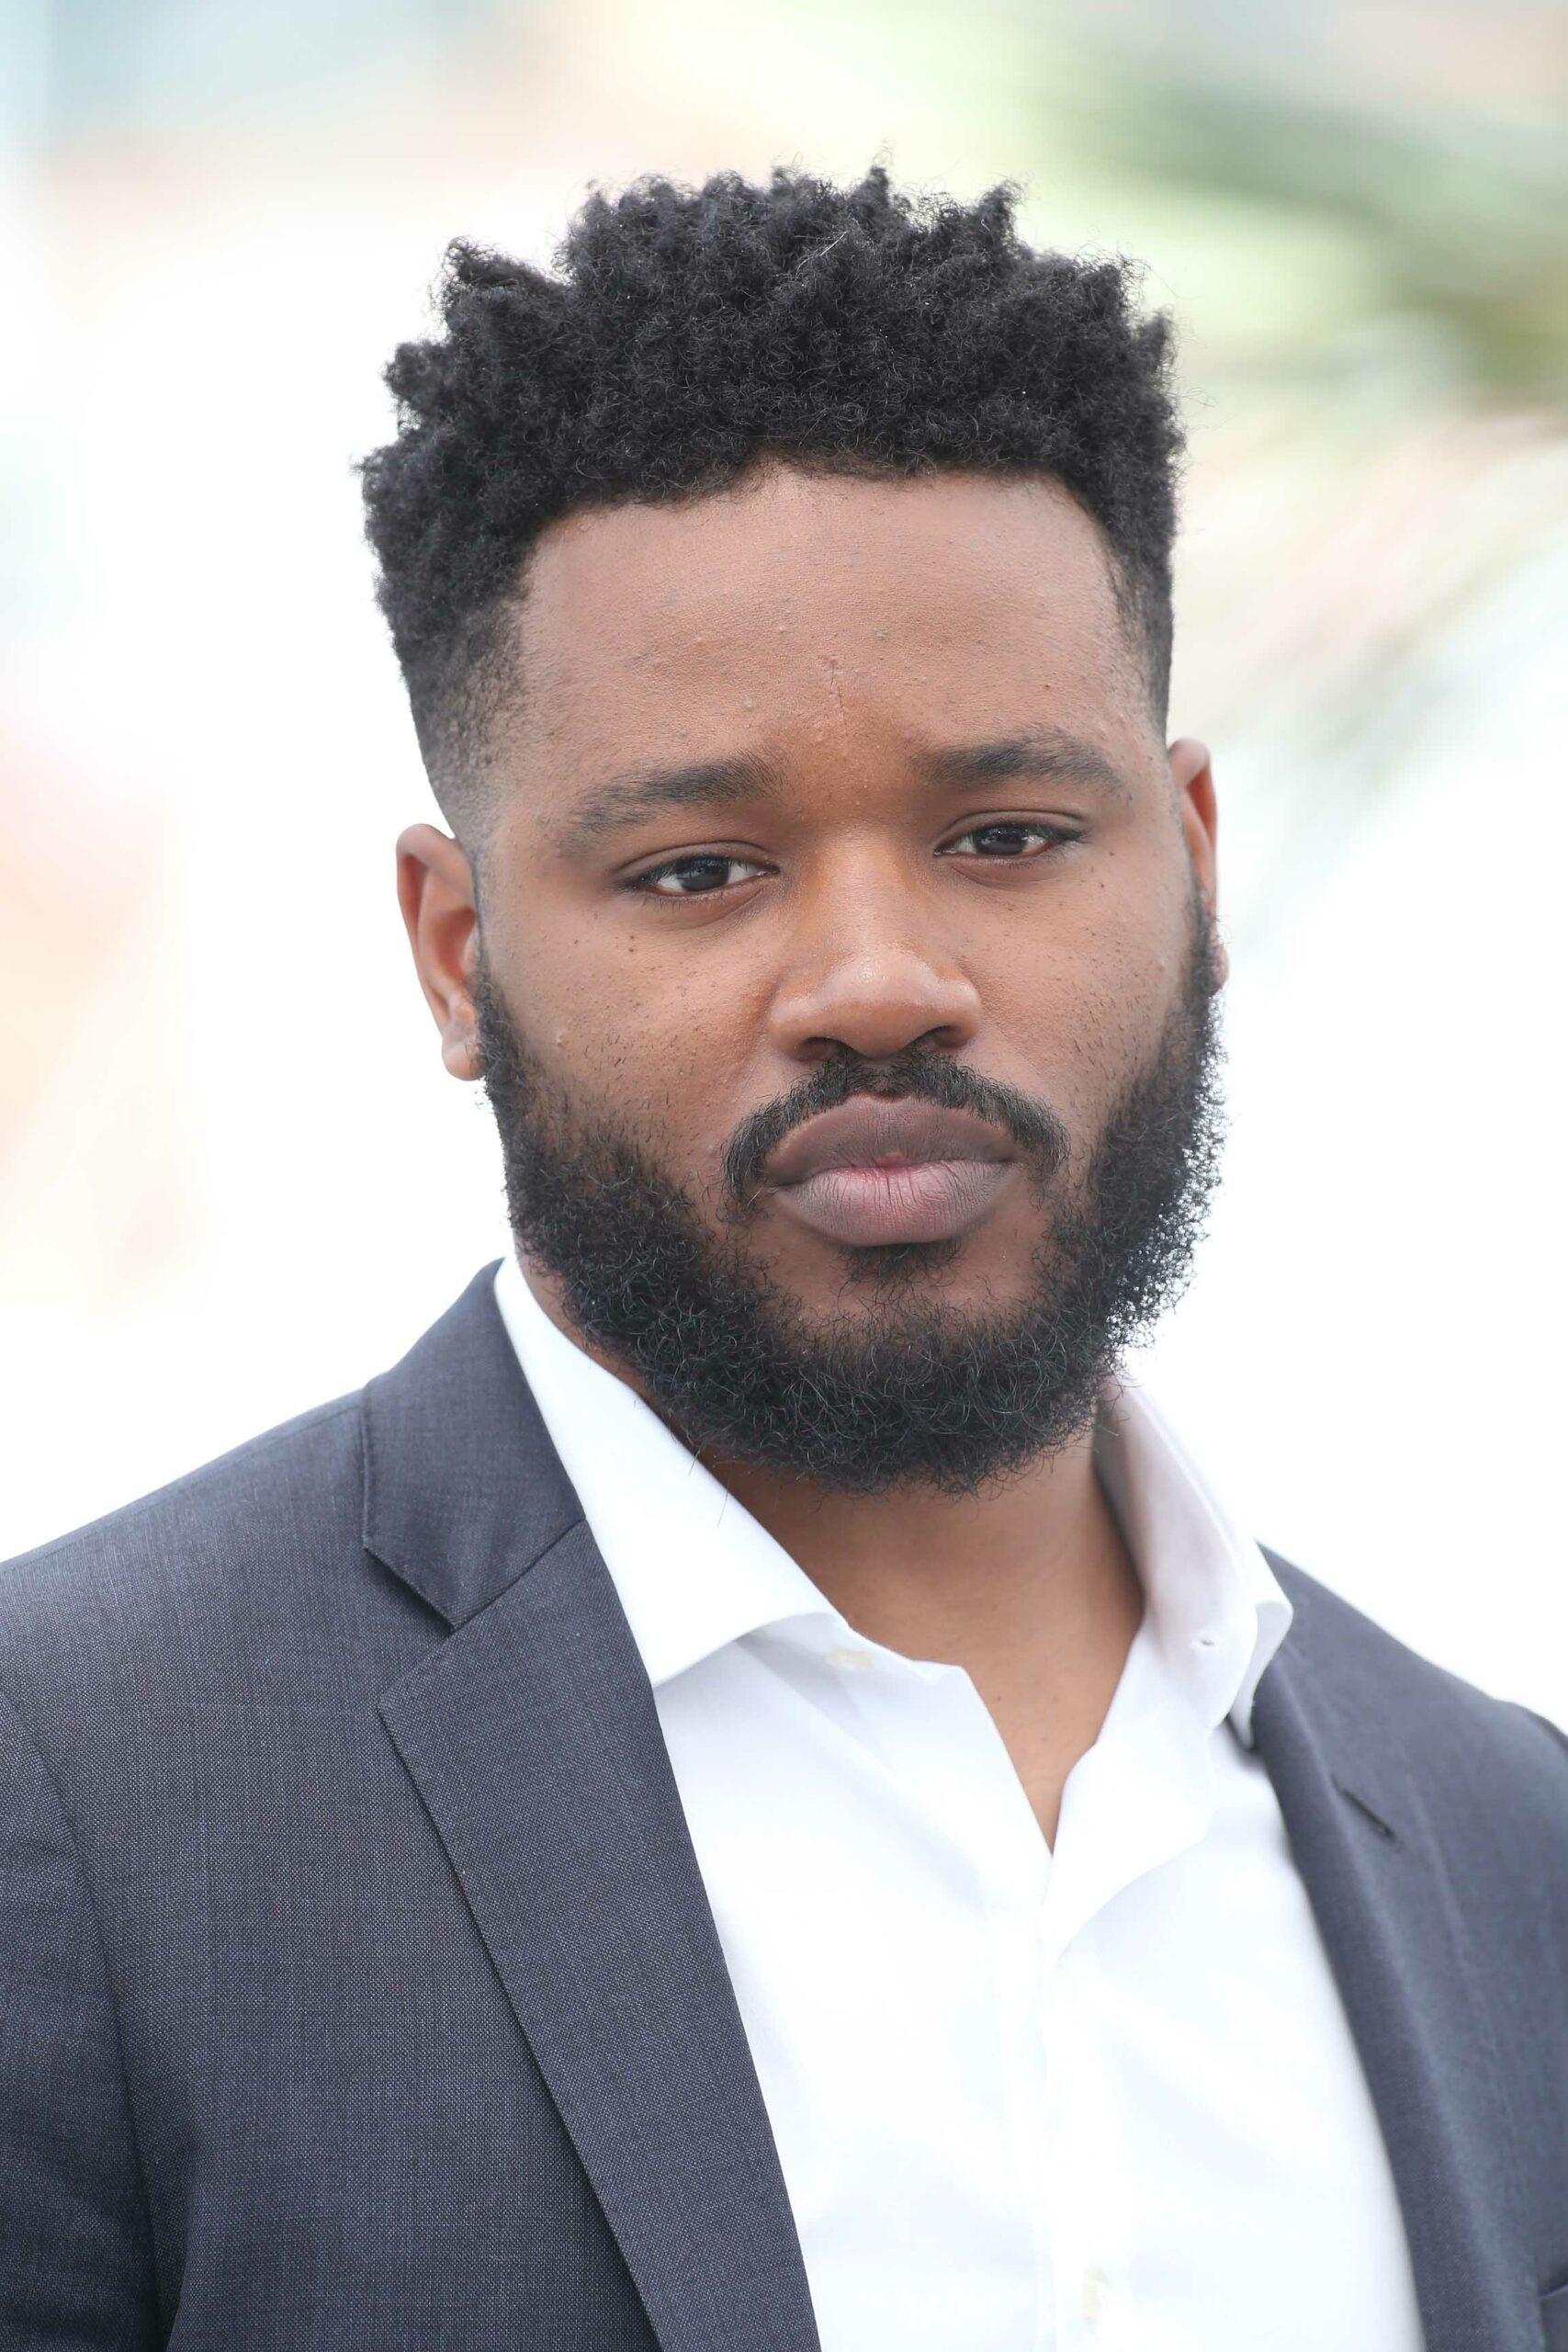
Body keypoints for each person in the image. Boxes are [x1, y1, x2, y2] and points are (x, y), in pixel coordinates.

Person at [1, 165, 1563, 2352]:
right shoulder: (77, 1784)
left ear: (1189, 859)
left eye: (1004, 836)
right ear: (458, 957)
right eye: (700, 865)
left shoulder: (1508, 1847)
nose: (876, 979)